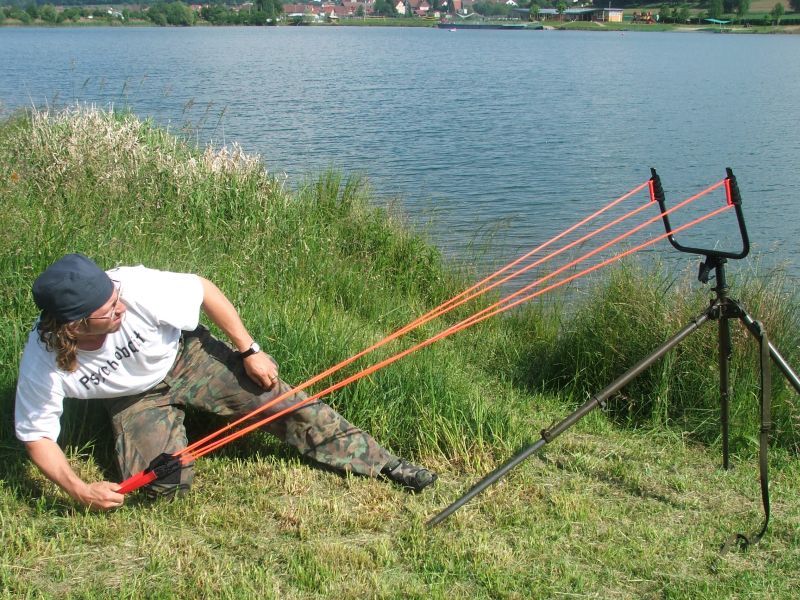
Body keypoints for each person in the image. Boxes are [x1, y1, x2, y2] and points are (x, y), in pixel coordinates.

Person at [15, 253, 437, 510]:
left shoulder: (135, 287)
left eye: (116, 296)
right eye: (109, 309)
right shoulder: (43, 362)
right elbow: (37, 436)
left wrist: (249, 351)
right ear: (74, 326)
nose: (120, 306)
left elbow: (203, 290)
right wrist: (79, 489)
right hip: (133, 398)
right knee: (165, 488)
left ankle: (384, 464)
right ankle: (173, 445)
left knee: (288, 405)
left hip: (188, 358)